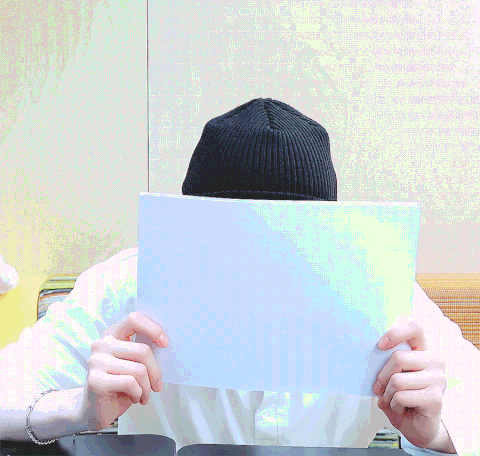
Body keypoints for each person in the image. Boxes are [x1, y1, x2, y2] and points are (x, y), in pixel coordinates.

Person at [0, 98, 478, 455]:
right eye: (231, 244)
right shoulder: (127, 285)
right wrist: (80, 408)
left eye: (291, 246)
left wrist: (436, 432)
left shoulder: (385, 300)